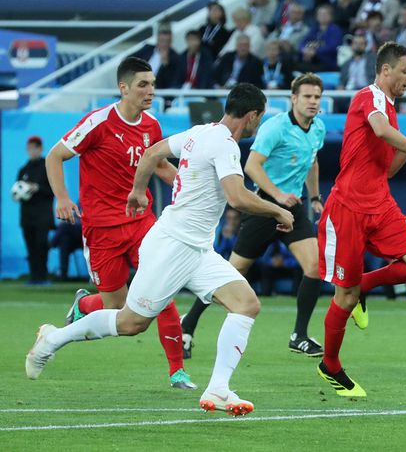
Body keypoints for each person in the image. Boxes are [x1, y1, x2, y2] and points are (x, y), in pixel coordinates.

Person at [26, 83, 295, 416]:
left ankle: (219, 389)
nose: (258, 123)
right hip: (172, 246)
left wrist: (138, 191)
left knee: (246, 304)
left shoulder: (200, 132)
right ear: (251, 116)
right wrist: (277, 209)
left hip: (197, 249)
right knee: (130, 323)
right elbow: (237, 197)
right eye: (260, 117)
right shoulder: (226, 145)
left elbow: (153, 153)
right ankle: (52, 339)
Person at [44, 57, 195, 390]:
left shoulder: (151, 126)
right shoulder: (98, 122)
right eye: (143, 84)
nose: (150, 90)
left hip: (142, 222)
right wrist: (62, 198)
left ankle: (177, 370)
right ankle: (84, 304)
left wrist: (192, 187)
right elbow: (54, 155)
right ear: (123, 87)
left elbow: (161, 167)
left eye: (153, 84)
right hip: (102, 229)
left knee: (162, 290)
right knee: (117, 306)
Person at [316, 42, 406, 397]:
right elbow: (380, 132)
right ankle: (330, 364)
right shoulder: (369, 97)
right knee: (343, 298)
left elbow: (387, 169)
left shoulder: (391, 111)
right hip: (348, 209)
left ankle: (366, 286)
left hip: (381, 205)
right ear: (386, 70)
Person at [180, 73, 327, 358]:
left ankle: (299, 335)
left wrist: (315, 197)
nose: (313, 102)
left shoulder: (318, 128)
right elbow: (252, 166)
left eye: (317, 97)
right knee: (232, 272)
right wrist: (278, 196)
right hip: (264, 207)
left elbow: (312, 162)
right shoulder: (276, 127)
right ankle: (188, 323)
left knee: (314, 266)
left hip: (293, 209)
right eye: (307, 96)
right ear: (294, 99)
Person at [16, 135, 54, 285]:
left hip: (43, 214)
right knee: (30, 244)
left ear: (40, 148)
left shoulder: (47, 167)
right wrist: (18, 194)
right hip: (27, 214)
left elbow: (52, 190)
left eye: (34, 148)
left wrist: (36, 188)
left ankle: (43, 276)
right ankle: (33, 276)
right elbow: (17, 189)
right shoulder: (23, 169)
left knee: (41, 244)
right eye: (29, 148)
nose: (32, 151)